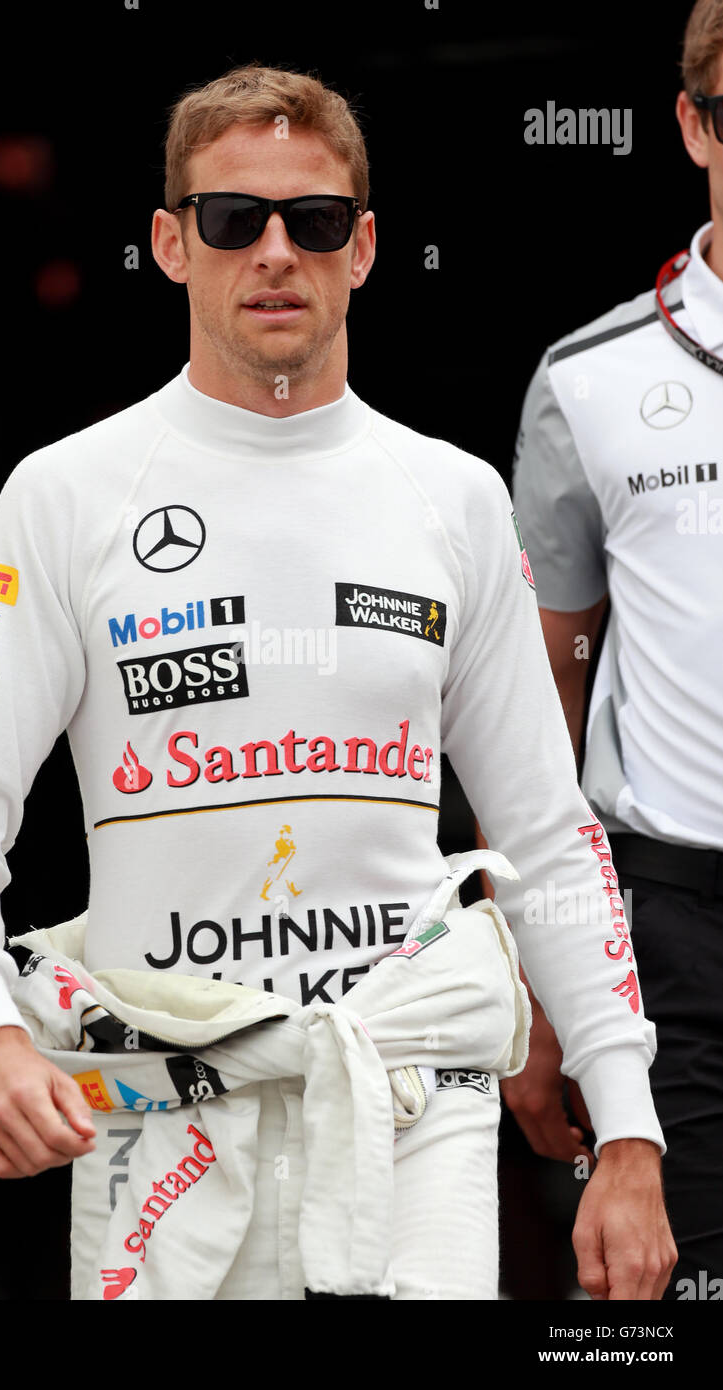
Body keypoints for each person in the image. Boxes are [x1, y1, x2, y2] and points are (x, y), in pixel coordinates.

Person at [0, 62, 676, 1300]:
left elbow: (548, 833)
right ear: (168, 243)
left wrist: (627, 1124)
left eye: (311, 221)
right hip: (158, 1120)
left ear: (362, 248)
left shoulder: (454, 497)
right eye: (230, 220)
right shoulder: (64, 494)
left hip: (413, 1105)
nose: (274, 251)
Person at [508, 0, 723, 1302]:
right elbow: (536, 703)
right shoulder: (586, 378)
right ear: (696, 125)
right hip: (677, 925)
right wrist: (541, 986)